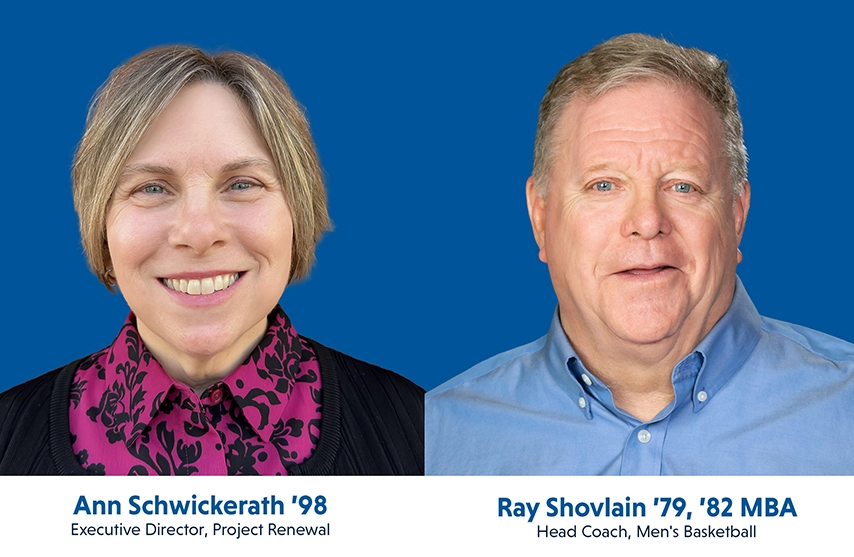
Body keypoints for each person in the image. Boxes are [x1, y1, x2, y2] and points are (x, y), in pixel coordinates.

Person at [425, 33, 854, 475]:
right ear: (540, 217)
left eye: (683, 186)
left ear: (736, 215)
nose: (647, 222)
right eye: (604, 186)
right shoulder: (430, 441)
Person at [0, 46, 423, 475]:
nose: (199, 233)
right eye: (151, 188)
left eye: (241, 184)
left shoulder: (421, 430)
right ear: (102, 223)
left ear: (298, 209)